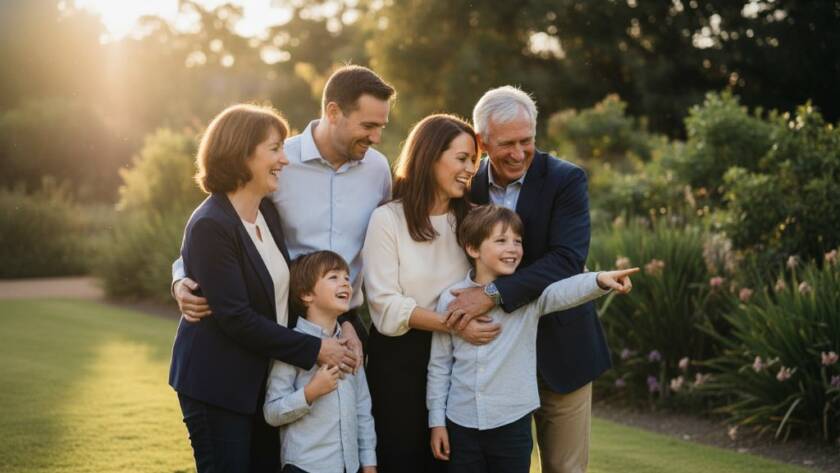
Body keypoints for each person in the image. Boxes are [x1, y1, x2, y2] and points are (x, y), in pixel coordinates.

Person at [169, 104, 352, 473]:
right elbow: (236, 317)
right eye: (274, 149)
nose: (284, 160)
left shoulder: (266, 212)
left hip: (261, 383)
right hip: (218, 385)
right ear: (242, 153)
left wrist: (344, 323)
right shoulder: (211, 224)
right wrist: (316, 349)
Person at [172, 65, 396, 361]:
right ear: (333, 112)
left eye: (381, 127)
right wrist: (181, 278)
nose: (376, 137)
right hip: (283, 321)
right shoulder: (276, 161)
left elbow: (387, 242)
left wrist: (346, 322)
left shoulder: (378, 170)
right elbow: (221, 223)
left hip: (346, 322)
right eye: (368, 126)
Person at [445, 86, 608, 473]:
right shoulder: (466, 185)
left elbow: (567, 259)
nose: (518, 153)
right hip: (489, 355)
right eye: (507, 143)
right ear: (482, 141)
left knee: (564, 468)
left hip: (560, 350)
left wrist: (492, 293)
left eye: (527, 141)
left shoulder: (566, 179)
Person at [427, 205, 637, 473]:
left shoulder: (528, 297)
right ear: (473, 248)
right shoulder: (450, 298)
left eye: (518, 241)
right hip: (460, 424)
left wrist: (600, 280)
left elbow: (564, 291)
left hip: (512, 425)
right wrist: (437, 422)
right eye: (501, 240)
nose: (513, 248)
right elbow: (440, 365)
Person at [361, 114, 502, 473]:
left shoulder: (475, 221)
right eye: (462, 158)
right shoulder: (387, 220)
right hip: (399, 363)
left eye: (473, 160)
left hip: (459, 361)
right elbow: (385, 305)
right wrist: (455, 324)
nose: (471, 169)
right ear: (429, 156)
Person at [264, 251, 376, 473]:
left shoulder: (351, 346)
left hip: (350, 467)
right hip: (305, 466)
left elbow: (363, 410)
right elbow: (272, 412)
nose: (345, 283)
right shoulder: (293, 346)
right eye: (334, 277)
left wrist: (369, 463)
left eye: (347, 277)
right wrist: (310, 392)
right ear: (306, 294)